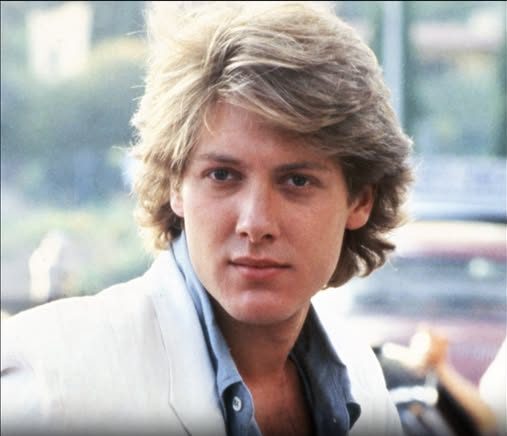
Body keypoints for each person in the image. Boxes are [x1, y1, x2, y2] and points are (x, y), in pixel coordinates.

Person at [1, 2, 413, 435]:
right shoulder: (56, 388)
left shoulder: (360, 381)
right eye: (222, 176)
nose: (255, 223)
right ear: (176, 185)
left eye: (296, 181)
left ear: (360, 201)